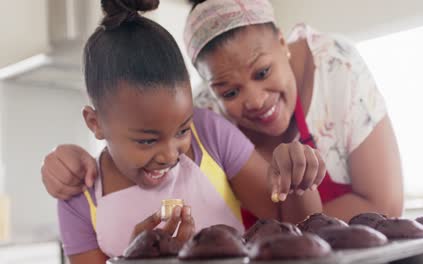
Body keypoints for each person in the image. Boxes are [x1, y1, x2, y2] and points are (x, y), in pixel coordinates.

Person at [43, 0, 403, 223]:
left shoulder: (335, 67)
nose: (256, 99)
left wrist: (271, 240)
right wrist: (76, 161)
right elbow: (135, 143)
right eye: (229, 90)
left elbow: (384, 204)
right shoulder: (200, 119)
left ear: (281, 42)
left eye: (262, 72)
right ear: (209, 89)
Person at [54, 0, 324, 263]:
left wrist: (296, 177)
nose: (170, 155)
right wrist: (136, 258)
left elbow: (288, 223)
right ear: (95, 123)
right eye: (147, 140)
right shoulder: (79, 197)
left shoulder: (207, 132)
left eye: (182, 130)